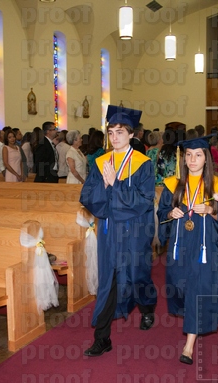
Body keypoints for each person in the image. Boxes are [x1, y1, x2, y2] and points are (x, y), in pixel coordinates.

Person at [79, 108, 157, 357]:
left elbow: (145, 201)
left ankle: (147, 309)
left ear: (131, 134)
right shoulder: (101, 163)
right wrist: (103, 185)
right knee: (108, 281)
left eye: (120, 132)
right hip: (110, 232)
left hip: (134, 232)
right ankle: (102, 338)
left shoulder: (143, 164)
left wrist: (116, 184)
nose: (114, 137)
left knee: (137, 276)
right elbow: (87, 197)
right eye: (111, 133)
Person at [157, 137, 218, 365]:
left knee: (199, 289)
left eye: (198, 155)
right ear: (183, 158)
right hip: (181, 247)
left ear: (206, 158)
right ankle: (191, 325)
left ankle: (189, 345)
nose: (193, 160)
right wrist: (171, 214)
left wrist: (212, 210)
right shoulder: (173, 184)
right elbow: (162, 213)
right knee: (182, 287)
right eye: (189, 155)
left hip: (206, 249)